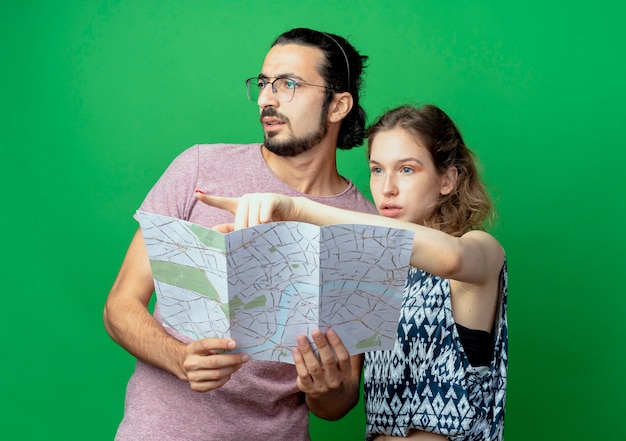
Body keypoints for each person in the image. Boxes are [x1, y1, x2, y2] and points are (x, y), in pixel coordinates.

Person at [103, 28, 376, 441]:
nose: (267, 99)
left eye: (289, 84)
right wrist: (180, 359)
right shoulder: (199, 168)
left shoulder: (363, 225)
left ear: (338, 105)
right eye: (264, 84)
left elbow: (339, 401)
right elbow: (120, 306)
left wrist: (329, 390)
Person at [197, 104, 508, 441]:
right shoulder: (371, 273)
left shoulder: (482, 252)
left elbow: (449, 258)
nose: (387, 187)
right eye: (377, 169)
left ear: (447, 179)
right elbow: (339, 398)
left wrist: (297, 209)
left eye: (406, 169)